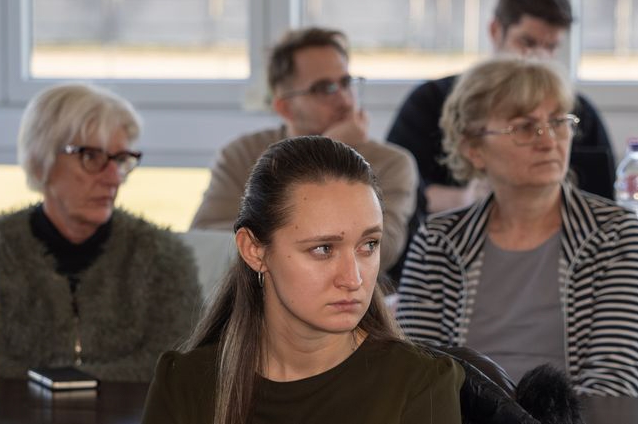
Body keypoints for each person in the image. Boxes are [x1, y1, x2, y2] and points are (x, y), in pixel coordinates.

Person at [143, 136, 464, 424]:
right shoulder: (184, 383)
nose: (353, 278)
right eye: (323, 249)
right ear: (254, 250)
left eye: (368, 245)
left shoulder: (419, 385)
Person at [395, 57, 638, 396]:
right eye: (523, 127)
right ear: (474, 148)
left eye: (558, 122)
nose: (549, 141)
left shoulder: (616, 235)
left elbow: (615, 384)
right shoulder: (438, 241)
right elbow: (418, 377)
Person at [0, 83, 201, 382]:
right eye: (91, 156)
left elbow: (178, 365)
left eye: (120, 159)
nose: (113, 178)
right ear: (40, 161)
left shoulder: (162, 257)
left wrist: (54, 381)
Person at [191, 27, 417, 273]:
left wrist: (329, 152)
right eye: (324, 89)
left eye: (345, 83)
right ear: (285, 108)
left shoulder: (391, 163)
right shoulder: (241, 154)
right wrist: (324, 152)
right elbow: (206, 238)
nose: (344, 99)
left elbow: (384, 249)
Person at [387, 0, 615, 215]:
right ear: (495, 31)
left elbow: (604, 200)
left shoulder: (578, 112)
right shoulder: (430, 101)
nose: (539, 57)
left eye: (550, 47)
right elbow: (394, 189)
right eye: (527, 42)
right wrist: (466, 198)